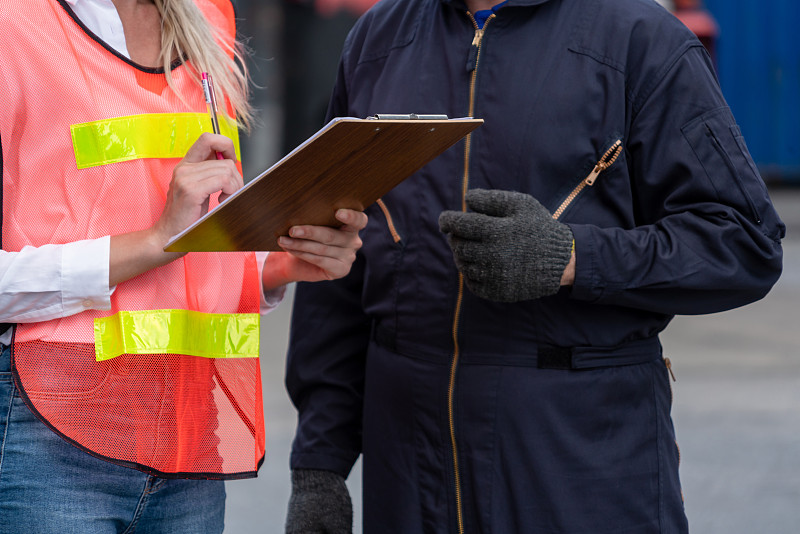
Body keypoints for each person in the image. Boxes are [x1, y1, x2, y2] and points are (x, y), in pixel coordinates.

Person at [283, 0, 785, 532]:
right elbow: (332, 258)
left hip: (577, 461)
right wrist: (320, 466)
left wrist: (572, 258)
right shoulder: (376, 40)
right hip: (409, 475)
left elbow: (744, 241)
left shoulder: (639, 40)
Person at [0, 1, 366, 533]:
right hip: (53, 435)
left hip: (190, 437)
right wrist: (153, 241)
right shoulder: (15, 24)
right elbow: (166, 237)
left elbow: (204, 242)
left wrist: (282, 262)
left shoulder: (207, 20)